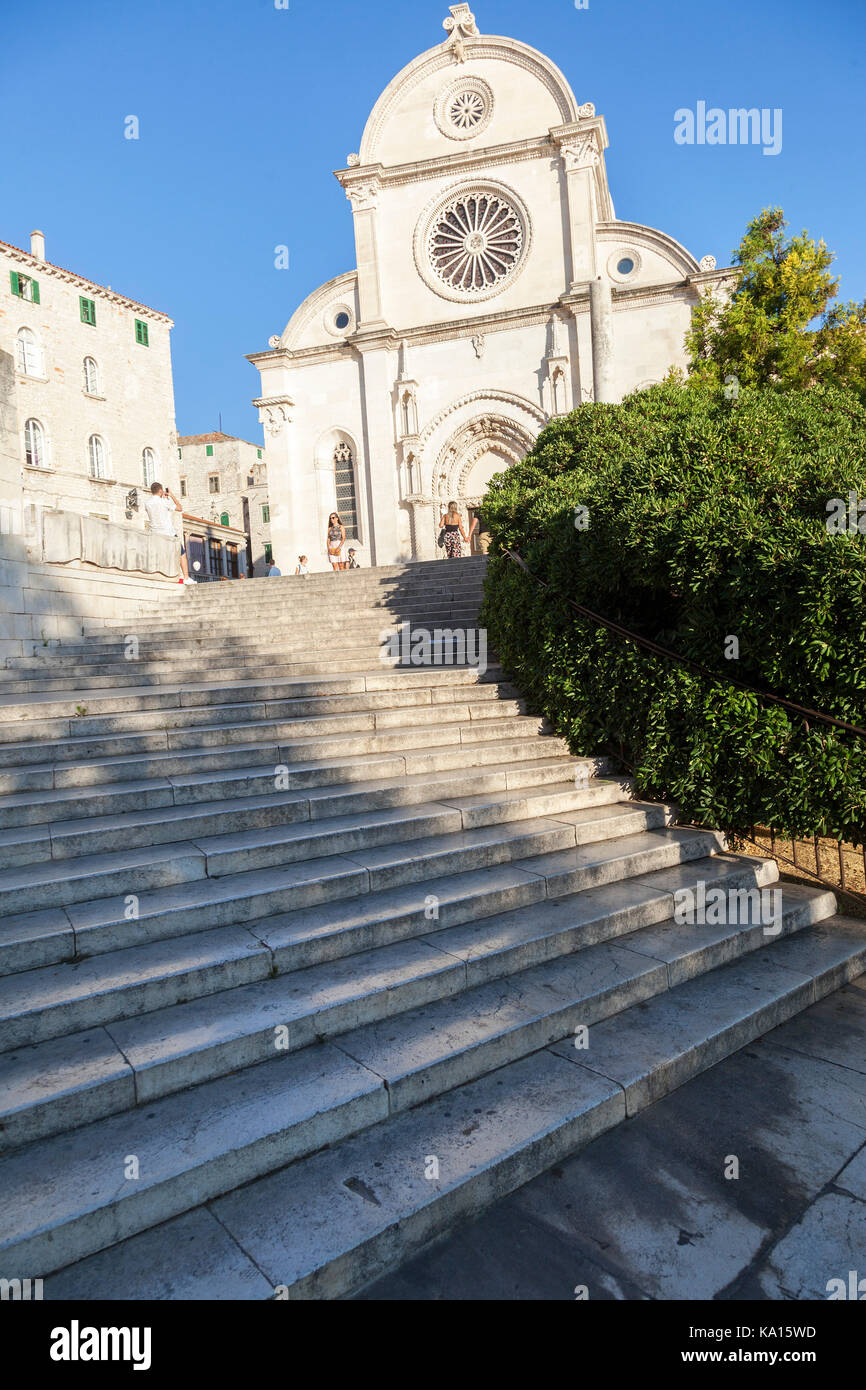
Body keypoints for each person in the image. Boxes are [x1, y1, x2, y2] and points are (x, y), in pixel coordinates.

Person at [145, 482, 194, 584]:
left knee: (162, 556)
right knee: (182, 554)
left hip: (155, 533)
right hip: (168, 533)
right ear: (160, 491)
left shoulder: (147, 503)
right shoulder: (163, 502)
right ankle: (186, 577)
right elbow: (180, 508)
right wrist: (171, 496)